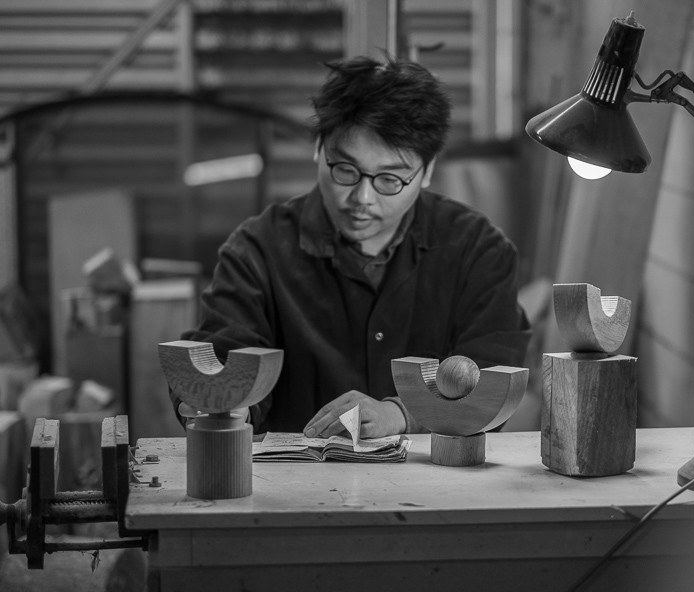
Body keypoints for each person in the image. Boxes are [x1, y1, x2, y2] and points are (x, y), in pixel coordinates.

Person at [169, 55, 531, 439]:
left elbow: (492, 381)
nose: (362, 198)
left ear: (426, 172)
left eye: (390, 179)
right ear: (318, 149)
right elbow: (226, 358)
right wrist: (218, 402)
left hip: (432, 488)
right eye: (345, 170)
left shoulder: (478, 250)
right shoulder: (256, 251)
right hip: (300, 490)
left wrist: (401, 414)